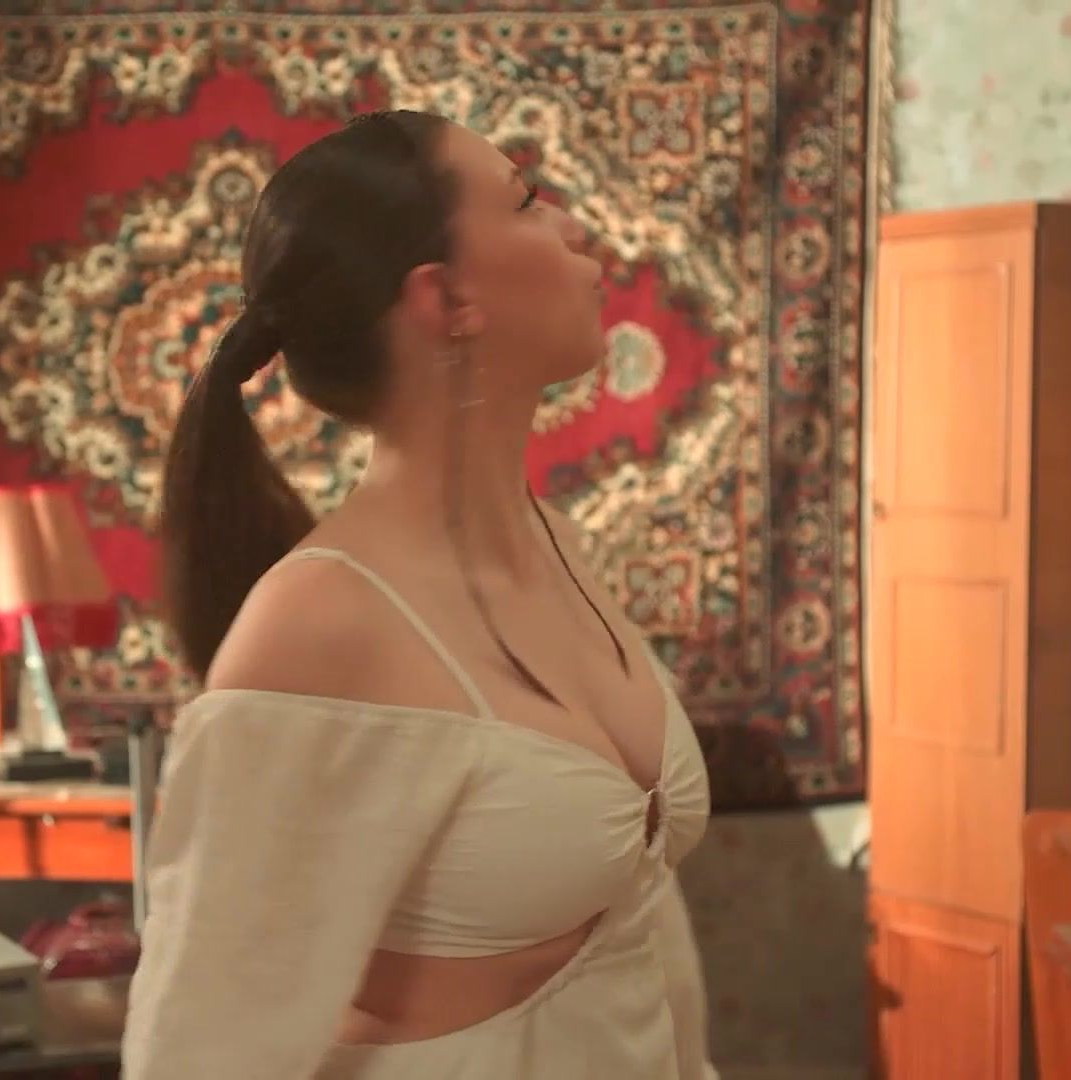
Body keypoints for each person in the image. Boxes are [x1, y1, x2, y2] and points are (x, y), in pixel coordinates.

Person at [122, 109, 717, 1080]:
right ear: (444, 296)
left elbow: (647, 940)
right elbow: (199, 1045)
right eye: (525, 201)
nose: (576, 227)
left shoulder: (557, 547)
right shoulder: (318, 622)